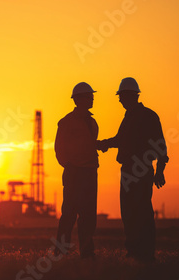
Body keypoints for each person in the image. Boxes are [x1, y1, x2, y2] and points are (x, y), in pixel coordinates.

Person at [98, 77, 169, 262]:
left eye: (121, 96)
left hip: (140, 170)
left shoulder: (148, 116)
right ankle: (135, 251)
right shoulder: (131, 116)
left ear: (129, 96)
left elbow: (160, 146)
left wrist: (160, 170)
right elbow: (120, 140)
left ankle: (144, 252)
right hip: (130, 170)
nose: (120, 100)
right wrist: (102, 144)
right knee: (130, 211)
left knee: (141, 211)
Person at [55, 82, 99, 258]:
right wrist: (70, 166)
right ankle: (61, 250)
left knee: (88, 216)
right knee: (69, 214)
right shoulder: (66, 122)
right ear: (79, 100)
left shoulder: (92, 121)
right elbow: (59, 148)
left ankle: (87, 252)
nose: (92, 99)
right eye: (89, 97)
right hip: (75, 173)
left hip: (89, 172)